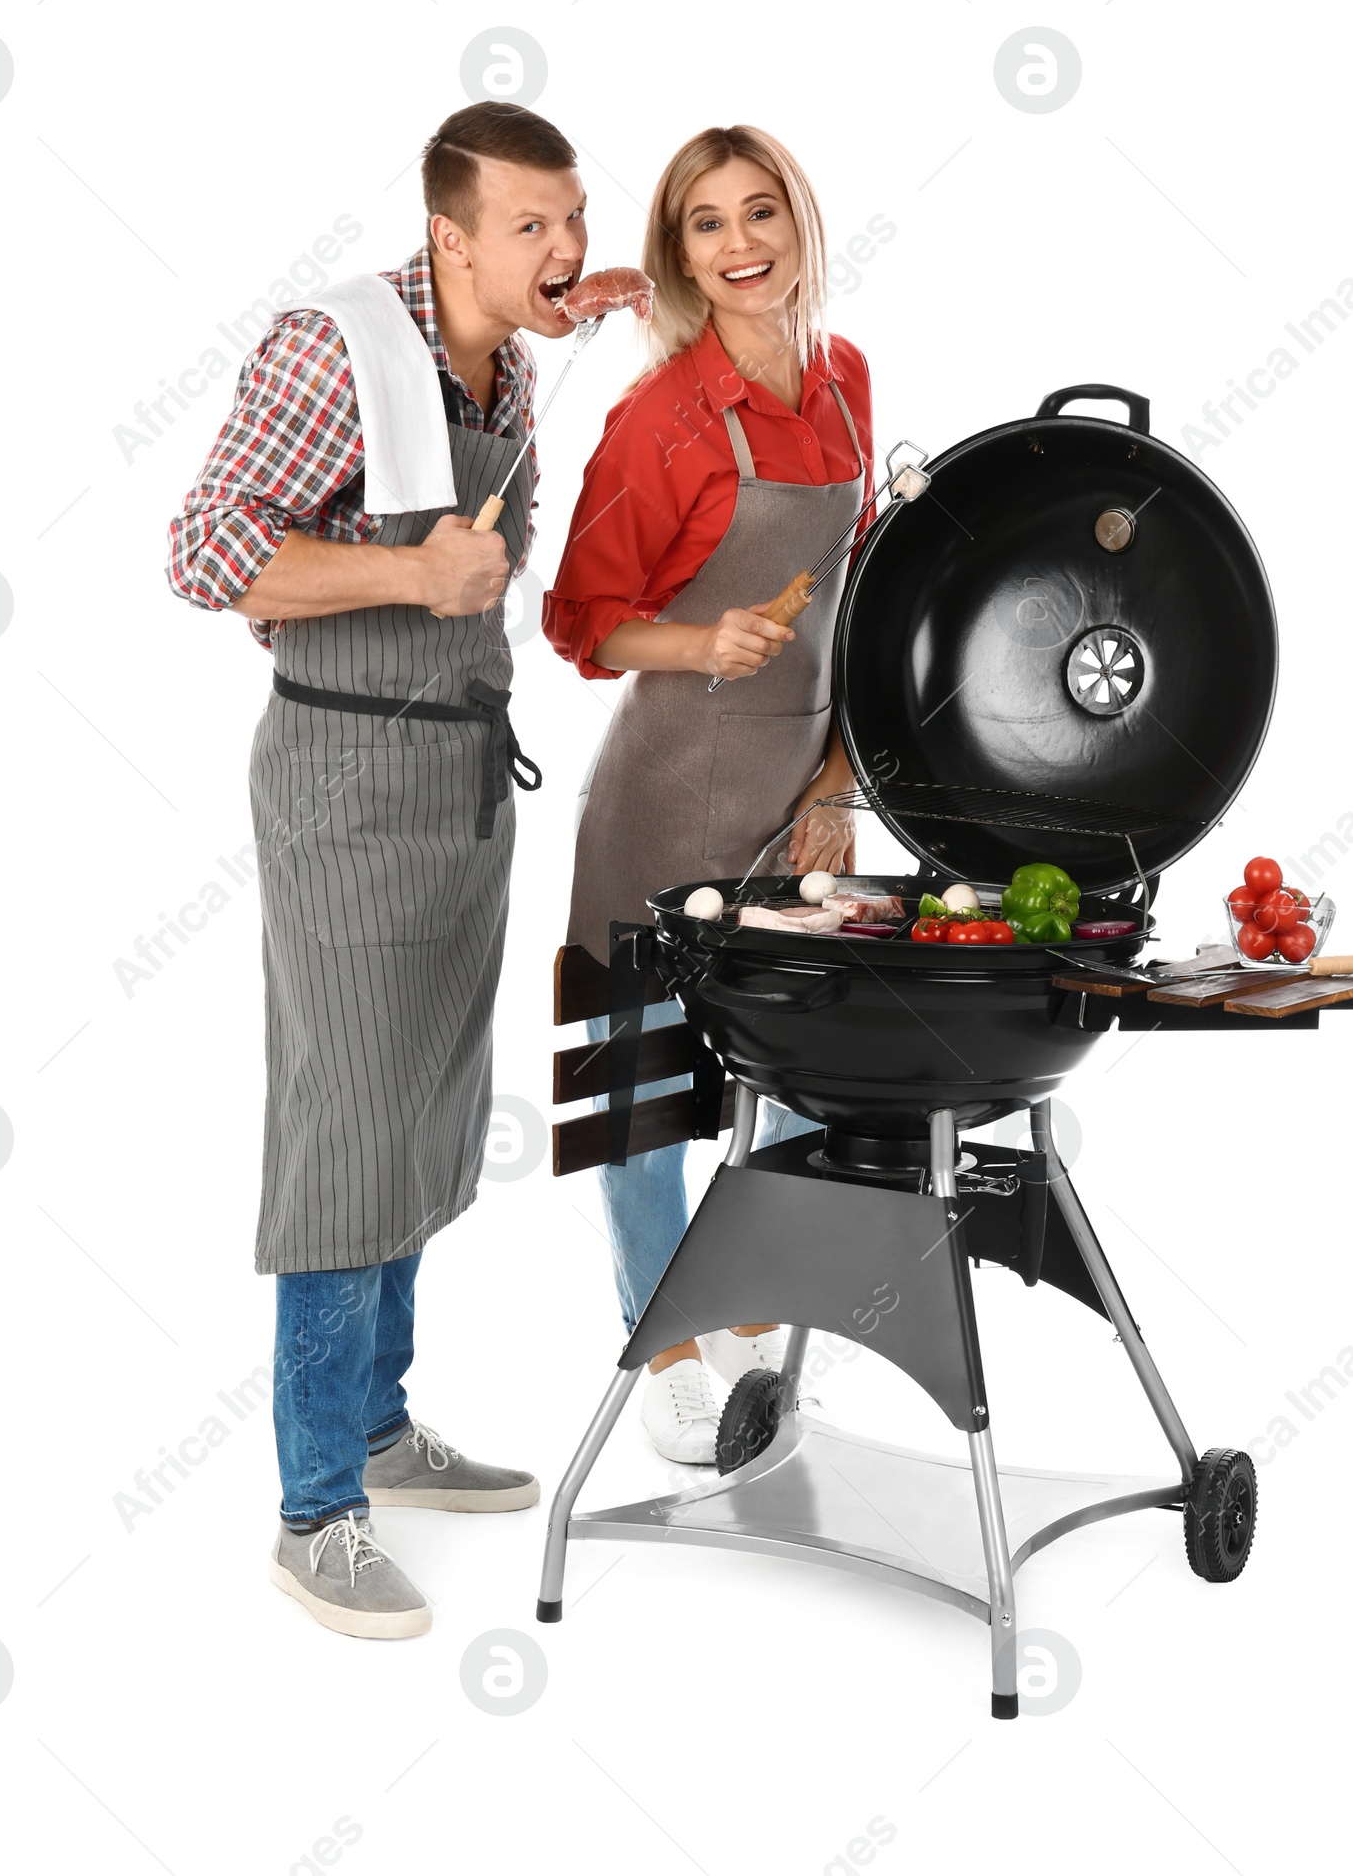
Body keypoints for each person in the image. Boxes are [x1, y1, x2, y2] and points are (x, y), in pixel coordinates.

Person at [167, 102, 588, 1638]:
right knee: (346, 1129)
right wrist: (412, 573)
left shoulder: (511, 362)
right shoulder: (330, 347)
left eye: (574, 220)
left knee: (423, 1108)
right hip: (344, 783)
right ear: (449, 236)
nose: (564, 248)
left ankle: (380, 1427)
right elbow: (206, 547)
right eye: (531, 224)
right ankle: (312, 1507)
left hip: (460, 781)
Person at [545, 125, 873, 1463]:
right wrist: (698, 642)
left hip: (795, 799)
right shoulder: (660, 418)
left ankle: (740, 1312)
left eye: (761, 215)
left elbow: (851, 595)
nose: (740, 248)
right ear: (675, 250)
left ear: (798, 221)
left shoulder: (843, 378)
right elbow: (581, 620)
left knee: (796, 1080)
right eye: (704, 225)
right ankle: (663, 1341)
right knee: (640, 1093)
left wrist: (842, 781)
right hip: (662, 797)